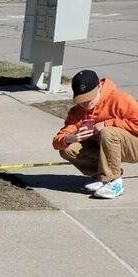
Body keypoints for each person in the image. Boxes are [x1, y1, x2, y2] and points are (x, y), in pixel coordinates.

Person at [53, 69, 138, 200]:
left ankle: (115, 182)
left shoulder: (119, 99)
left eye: (89, 98)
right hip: (106, 147)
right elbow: (57, 142)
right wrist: (70, 138)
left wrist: (108, 123)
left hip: (133, 147)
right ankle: (103, 176)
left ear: (99, 87)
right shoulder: (77, 111)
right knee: (67, 148)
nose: (85, 104)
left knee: (108, 132)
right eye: (81, 100)